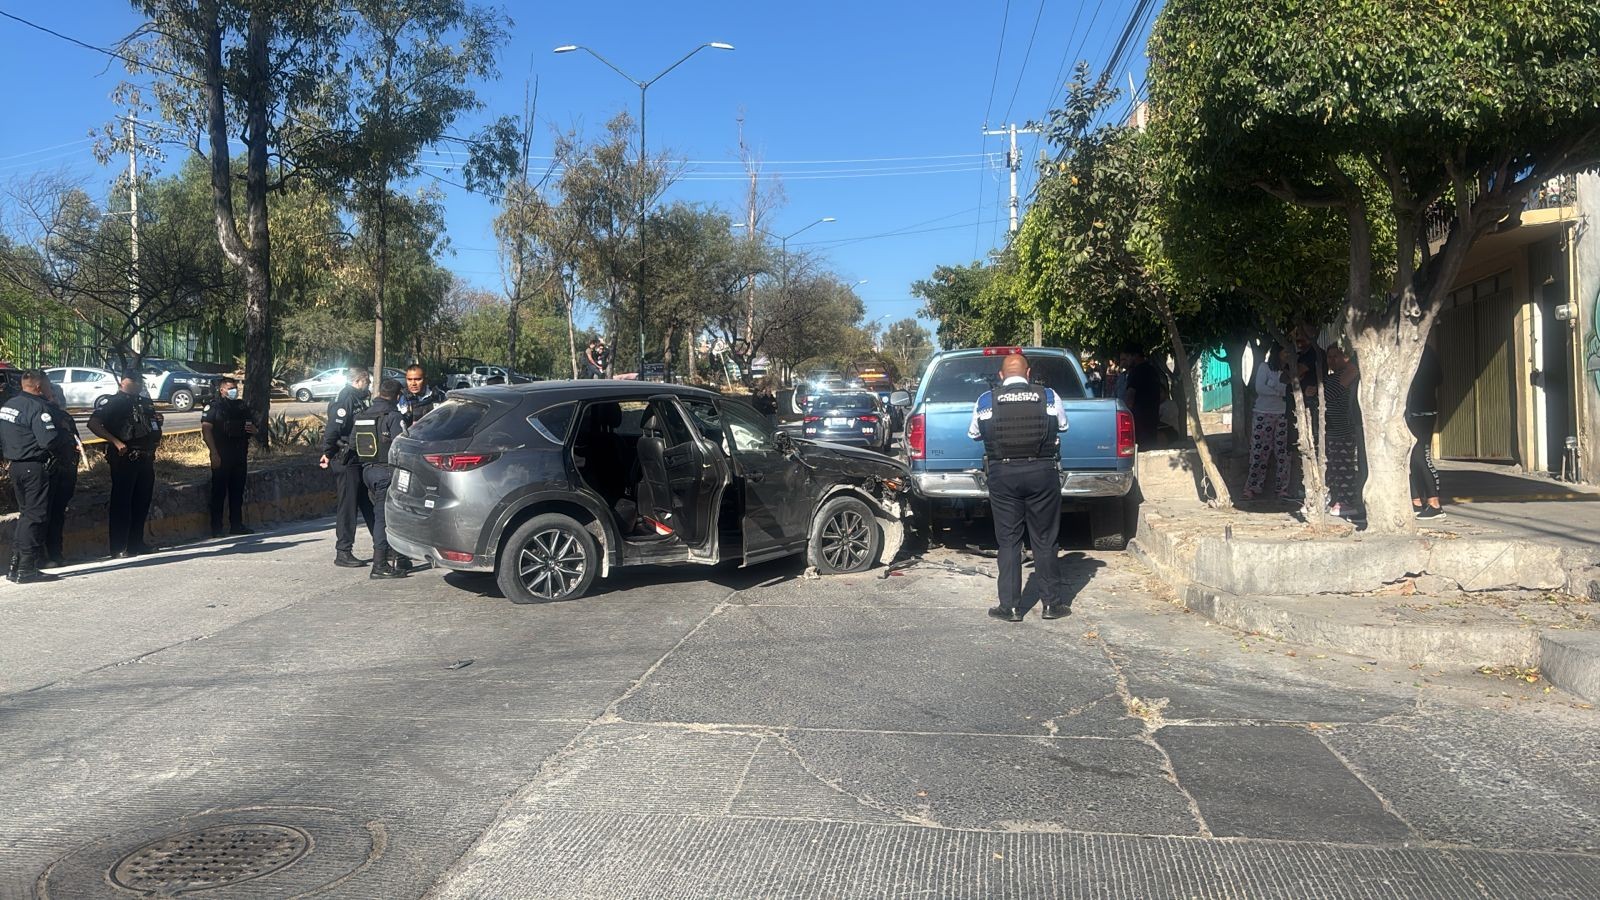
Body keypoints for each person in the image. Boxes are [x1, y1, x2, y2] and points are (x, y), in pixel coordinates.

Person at [968, 352, 1071, 623]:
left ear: (1001, 376)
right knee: (1045, 539)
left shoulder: (985, 400)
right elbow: (1063, 426)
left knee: (1009, 541)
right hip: (1042, 472)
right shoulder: (1048, 396)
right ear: (1028, 374)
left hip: (1003, 474)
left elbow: (975, 433)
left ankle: (1011, 607)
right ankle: (1051, 605)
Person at [1, 370, 68, 582]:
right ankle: (27, 568)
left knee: (26, 515)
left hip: (16, 466)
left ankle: (17, 564)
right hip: (35, 467)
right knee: (36, 516)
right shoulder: (39, 408)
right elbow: (48, 440)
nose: (50, 389)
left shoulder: (9, 405)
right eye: (49, 385)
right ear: (39, 387)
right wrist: (63, 434)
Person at [88, 373, 163, 558]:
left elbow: (149, 424)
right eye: (135, 380)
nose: (138, 384)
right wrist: (115, 442)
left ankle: (137, 542)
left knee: (142, 501)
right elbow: (94, 423)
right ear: (124, 382)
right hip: (125, 457)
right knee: (122, 502)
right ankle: (119, 546)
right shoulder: (113, 402)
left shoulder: (144, 402)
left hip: (145, 457)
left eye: (140, 381)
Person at [352, 378, 408, 579]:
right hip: (387, 473)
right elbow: (403, 445)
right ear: (398, 395)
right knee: (384, 520)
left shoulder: (362, 415)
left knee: (380, 517)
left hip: (368, 471)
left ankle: (399, 557)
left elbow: (352, 444)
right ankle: (380, 564)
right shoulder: (393, 416)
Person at [319, 366, 374, 568]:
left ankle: (383, 547)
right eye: (367, 381)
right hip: (345, 459)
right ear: (359, 380)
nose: (368, 385)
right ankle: (343, 551)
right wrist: (327, 452)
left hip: (357, 459)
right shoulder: (346, 399)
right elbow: (333, 429)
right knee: (348, 506)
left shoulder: (357, 399)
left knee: (369, 503)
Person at [201, 376, 256, 537]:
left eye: (235, 388)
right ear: (222, 389)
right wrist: (213, 452)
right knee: (219, 491)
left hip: (239, 453)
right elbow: (206, 430)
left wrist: (254, 430)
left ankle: (236, 525)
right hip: (222, 454)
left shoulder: (241, 407)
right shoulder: (214, 407)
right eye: (230, 388)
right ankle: (216, 527)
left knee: (237, 491)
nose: (234, 391)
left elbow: (253, 427)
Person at [1243, 345, 1293, 500]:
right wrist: (1279, 392)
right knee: (1259, 453)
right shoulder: (1264, 367)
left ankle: (1282, 489)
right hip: (1263, 414)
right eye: (1286, 352)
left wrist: (1272, 387)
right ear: (1277, 353)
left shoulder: (1291, 370)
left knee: (1283, 453)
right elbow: (1260, 388)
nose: (1288, 355)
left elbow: (1291, 391)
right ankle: (1252, 487)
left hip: (1283, 415)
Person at [41, 379, 82, 568]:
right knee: (44, 514)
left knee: (58, 513)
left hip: (66, 470)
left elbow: (76, 442)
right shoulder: (42, 416)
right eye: (53, 395)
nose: (56, 398)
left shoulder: (65, 417)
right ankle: (43, 556)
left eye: (58, 395)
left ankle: (57, 553)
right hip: (48, 470)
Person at [1322, 345, 1363, 518]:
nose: (1332, 360)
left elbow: (1328, 393)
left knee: (1344, 466)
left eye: (1336, 356)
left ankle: (1348, 501)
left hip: (1344, 428)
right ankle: (1336, 498)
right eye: (1329, 357)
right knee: (1333, 467)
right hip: (1331, 428)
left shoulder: (1350, 373)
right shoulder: (1331, 377)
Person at [1407, 342, 1445, 519]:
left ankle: (1434, 503)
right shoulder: (1409, 351)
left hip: (1423, 411)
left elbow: (1437, 378)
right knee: (1411, 458)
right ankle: (1416, 501)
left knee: (1420, 456)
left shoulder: (1423, 352)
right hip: (1412, 411)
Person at [1119, 343, 1164, 448]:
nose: (1128, 360)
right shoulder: (1152, 371)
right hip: (1152, 421)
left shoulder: (1136, 372)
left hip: (1138, 424)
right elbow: (1161, 395)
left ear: (1135, 356)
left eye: (1128, 357)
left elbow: (1130, 398)